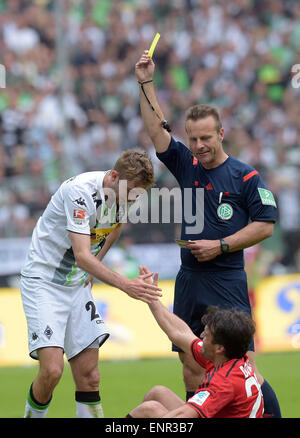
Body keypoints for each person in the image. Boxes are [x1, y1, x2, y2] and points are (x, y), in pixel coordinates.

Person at [135, 50, 281, 418]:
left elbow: (265, 224)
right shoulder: (188, 165)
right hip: (190, 279)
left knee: (237, 363)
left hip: (227, 278)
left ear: (220, 133)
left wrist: (221, 245)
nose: (198, 146)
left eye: (205, 138)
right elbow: (156, 130)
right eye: (193, 139)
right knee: (190, 361)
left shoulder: (246, 176)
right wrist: (146, 82)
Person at [20, 149, 162, 418]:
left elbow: (115, 227)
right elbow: (83, 257)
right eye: (131, 191)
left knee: (90, 376)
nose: (133, 199)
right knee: (51, 371)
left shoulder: (127, 194)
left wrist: (97, 263)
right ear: (113, 176)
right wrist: (125, 284)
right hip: (44, 281)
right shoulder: (80, 192)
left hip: (76, 285)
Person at [127, 267, 264, 418]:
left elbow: (184, 415)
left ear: (219, 348)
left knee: (149, 410)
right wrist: (152, 299)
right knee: (158, 393)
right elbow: (180, 333)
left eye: (207, 335)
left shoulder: (223, 381)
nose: (202, 335)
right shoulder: (229, 359)